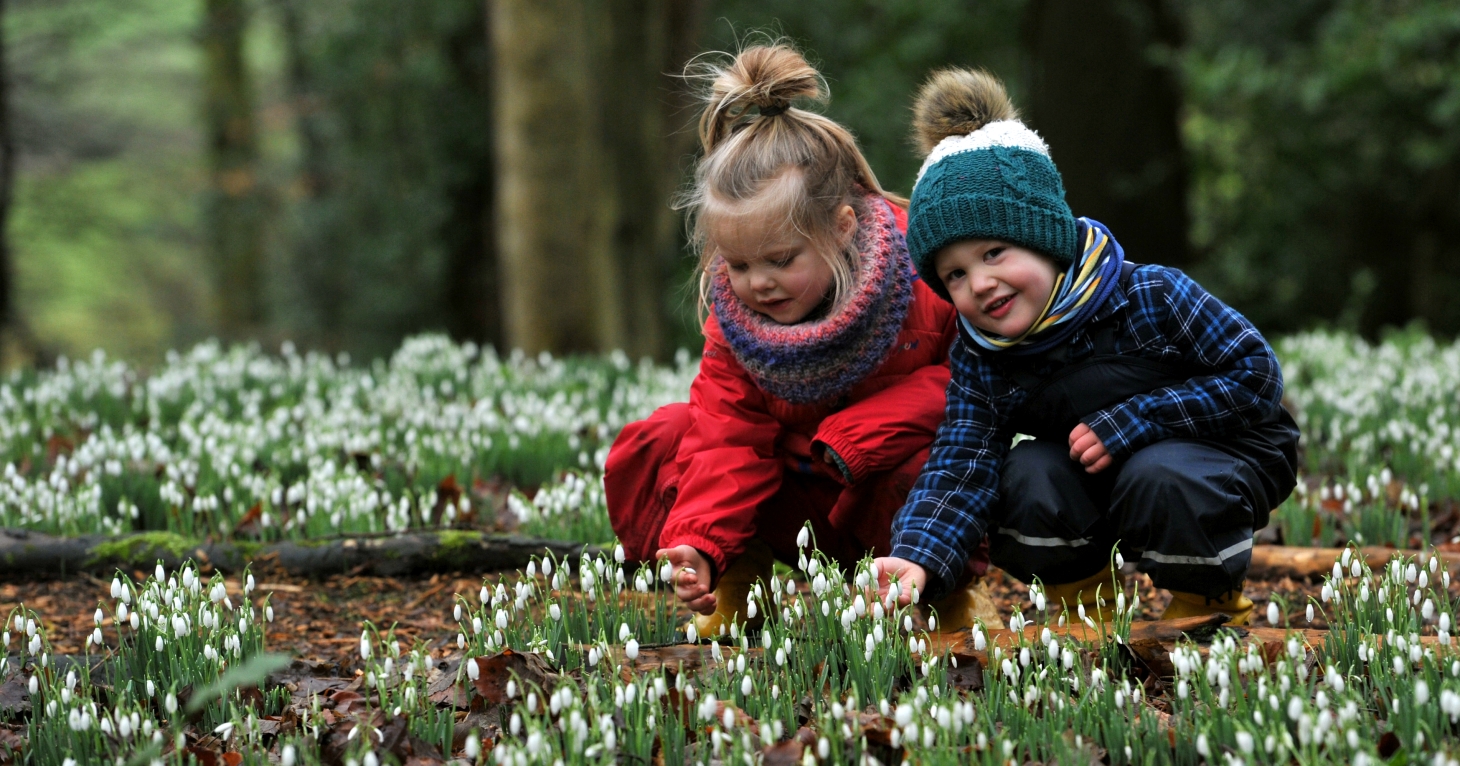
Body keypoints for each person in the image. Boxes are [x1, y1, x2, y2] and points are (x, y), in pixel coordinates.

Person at [872, 69, 1299, 626]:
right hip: (1100, 471)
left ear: (1045, 236)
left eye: (995, 251)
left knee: (1161, 472)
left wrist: (1136, 420)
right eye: (954, 274)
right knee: (1025, 475)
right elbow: (962, 461)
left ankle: (1207, 602)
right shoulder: (983, 354)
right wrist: (918, 557)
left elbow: (1256, 376)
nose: (978, 283)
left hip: (1225, 453)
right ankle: (1085, 604)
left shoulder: (1150, 295)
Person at [605, 43, 996, 638]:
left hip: (892, 504)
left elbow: (975, 385)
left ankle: (946, 598)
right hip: (795, 498)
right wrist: (700, 544)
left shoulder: (925, 274)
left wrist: (861, 432)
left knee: (926, 459)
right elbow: (723, 437)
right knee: (667, 436)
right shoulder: (737, 324)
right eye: (736, 264)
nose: (757, 283)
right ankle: (738, 586)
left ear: (842, 227)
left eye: (781, 259)